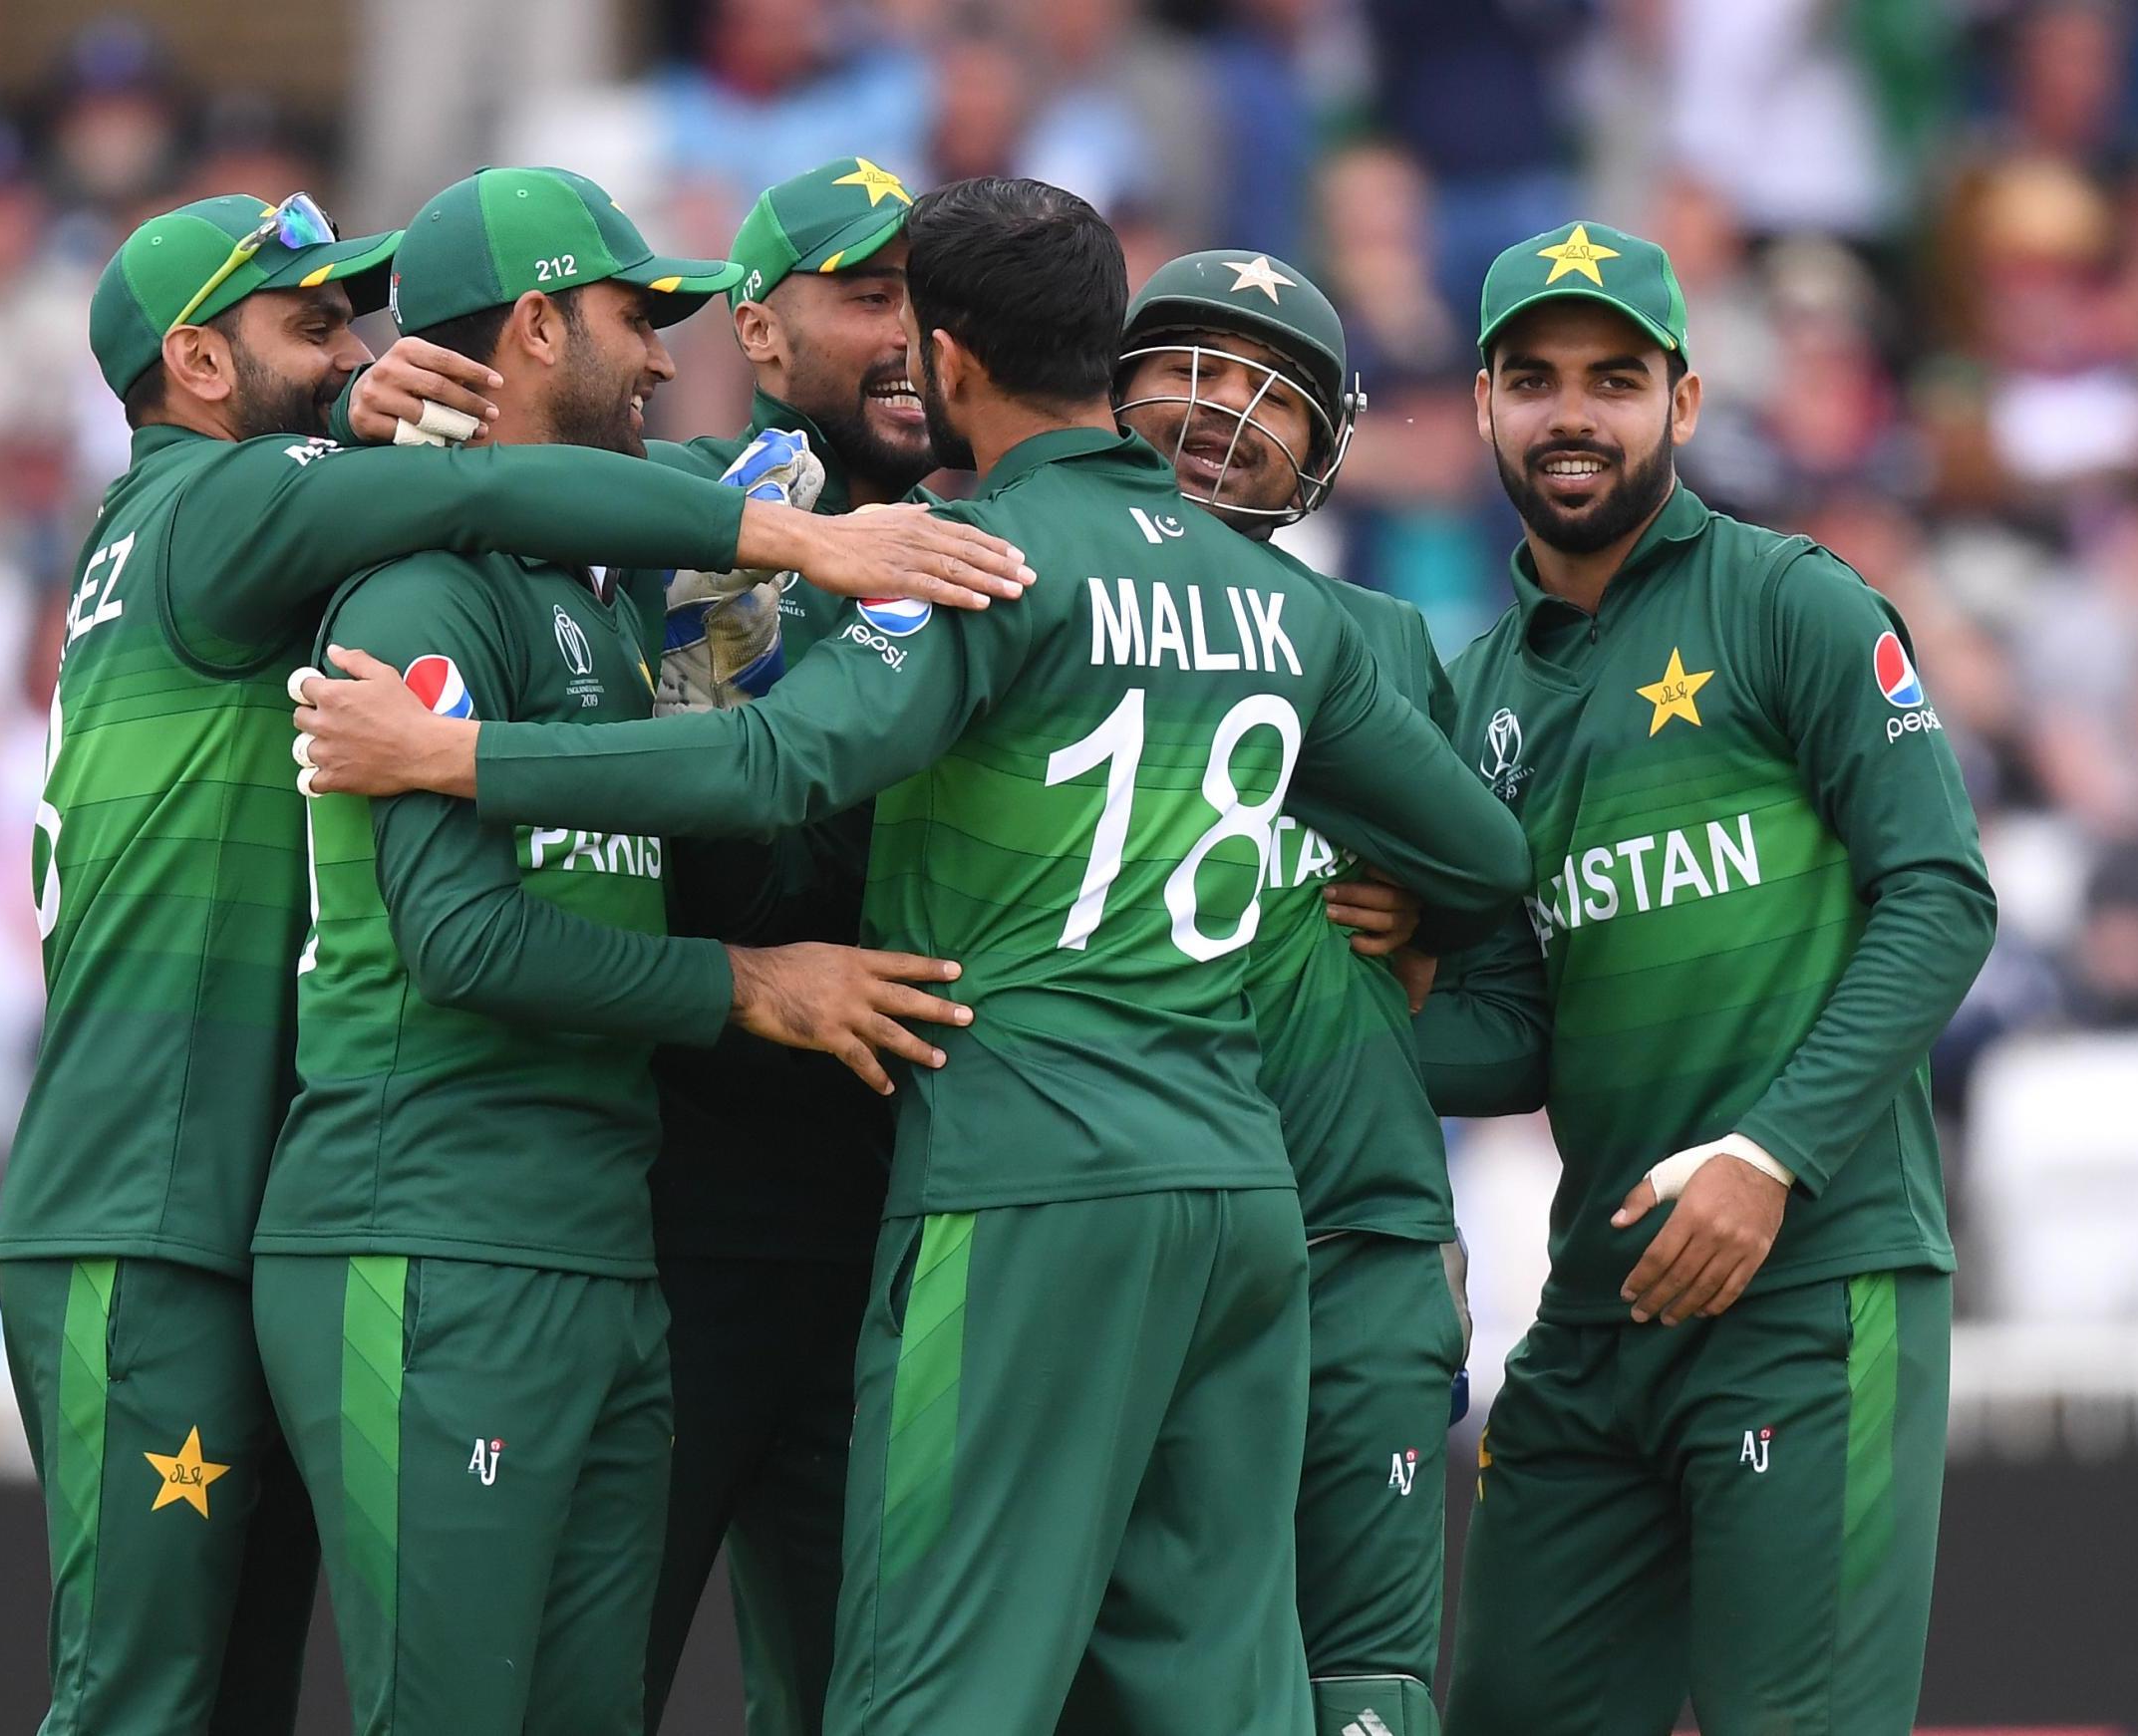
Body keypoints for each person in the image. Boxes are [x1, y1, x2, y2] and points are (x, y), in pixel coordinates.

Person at [290, 174, 1533, 1736]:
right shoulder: (1279, 601)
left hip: (1022, 1182)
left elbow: (768, 771)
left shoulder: (967, 561)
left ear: (949, 362)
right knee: (1226, 1680)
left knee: (933, 1690)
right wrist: (1409, 903)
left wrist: (461, 763)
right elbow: (1486, 855)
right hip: (1232, 1196)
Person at [0, 187, 1027, 1736]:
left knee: (228, 1694)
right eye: (320, 333)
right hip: (151, 1193)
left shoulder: (271, 511)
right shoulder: (221, 504)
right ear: (199, 365)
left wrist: (347, 404)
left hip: (230, 1173)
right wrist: (804, 537)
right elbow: (489, 497)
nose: (372, 362)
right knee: (140, 1697)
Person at [248, 165, 975, 1736]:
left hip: (586, 1237)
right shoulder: (425, 585)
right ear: (529, 327)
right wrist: (751, 986)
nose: (660, 356)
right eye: (632, 317)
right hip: (429, 1224)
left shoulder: (608, 593)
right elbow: (455, 936)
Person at [1418, 220, 1995, 1736]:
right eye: (1533, 378)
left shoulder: (1791, 601)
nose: (1570, 415)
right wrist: (1361, 990)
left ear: (1682, 400)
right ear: (1480, 400)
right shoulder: (1473, 693)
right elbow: (1511, 1040)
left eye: (1615, 378)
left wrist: (1768, 1154)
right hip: (1600, 1314)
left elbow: (1940, 896)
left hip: (1810, 1280)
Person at [1115, 247, 1471, 1736]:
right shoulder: (1020, 575)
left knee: (1363, 1684)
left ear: (1327, 447)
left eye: (1271, 392)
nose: (1221, 408)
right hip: (1119, 1215)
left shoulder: (1386, 641)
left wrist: (1434, 924)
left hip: (1352, 1228)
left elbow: (1492, 942)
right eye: (1188, 364)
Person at [629, 154, 938, 1736]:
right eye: (866, 294)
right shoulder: (687, 528)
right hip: (691, 1228)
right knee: (586, 1672)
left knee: (857, 1699)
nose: (909, 335)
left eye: (929, 299)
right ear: (756, 332)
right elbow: (696, 872)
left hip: (925, 1232)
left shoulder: (1018, 532)